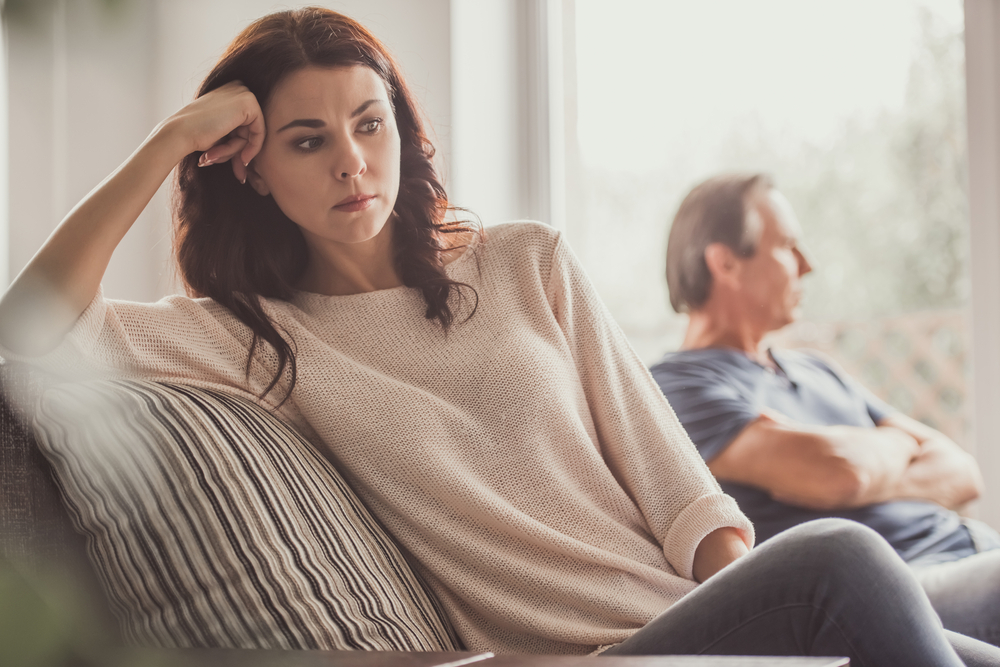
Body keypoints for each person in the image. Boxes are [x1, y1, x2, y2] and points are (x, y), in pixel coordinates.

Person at [0, 8, 996, 665]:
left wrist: (766, 633)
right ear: (250, 169)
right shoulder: (247, 340)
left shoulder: (526, 261)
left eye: (370, 123)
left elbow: (679, 491)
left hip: (701, 623)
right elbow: (28, 332)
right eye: (308, 140)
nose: (353, 162)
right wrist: (172, 136)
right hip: (590, 659)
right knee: (843, 558)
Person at [651, 172, 1000, 648]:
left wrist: (864, 466)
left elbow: (962, 472)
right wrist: (897, 449)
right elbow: (838, 472)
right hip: (901, 587)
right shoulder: (678, 388)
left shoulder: (816, 370)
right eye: (787, 246)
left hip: (977, 546)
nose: (807, 264)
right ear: (725, 262)